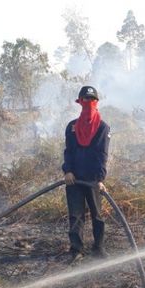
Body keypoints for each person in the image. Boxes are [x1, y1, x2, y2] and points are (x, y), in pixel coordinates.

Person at [62, 85, 111, 262]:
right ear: (79, 102)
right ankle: (76, 249)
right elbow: (69, 151)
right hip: (74, 179)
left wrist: (99, 179)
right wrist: (67, 171)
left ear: (96, 102)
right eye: (85, 100)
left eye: (92, 100)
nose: (88, 103)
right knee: (76, 215)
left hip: (92, 180)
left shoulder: (103, 128)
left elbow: (102, 154)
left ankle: (98, 247)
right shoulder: (72, 127)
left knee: (97, 214)